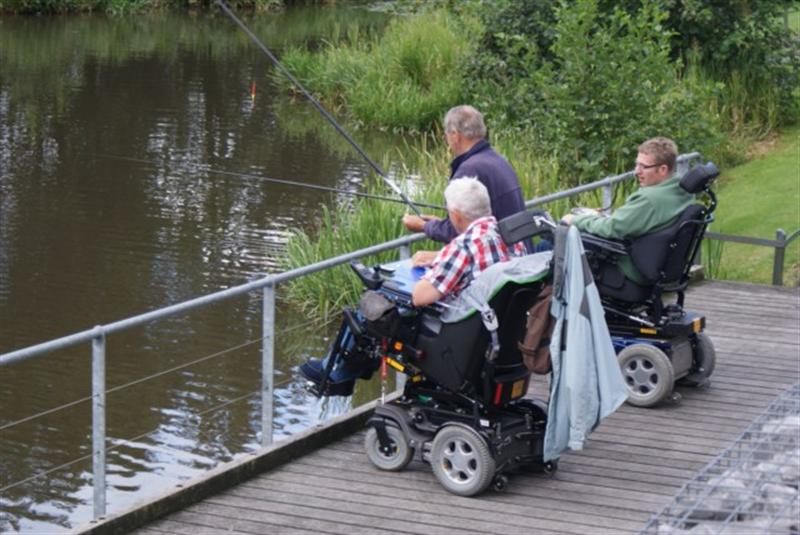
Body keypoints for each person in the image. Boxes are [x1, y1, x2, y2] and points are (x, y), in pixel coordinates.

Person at [402, 105, 527, 264]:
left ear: (455, 135)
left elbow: (460, 232)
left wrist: (423, 226)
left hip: (500, 265)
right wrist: (440, 222)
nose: (446, 139)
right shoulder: (497, 159)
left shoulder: (469, 170)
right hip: (518, 257)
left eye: (447, 134)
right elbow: (478, 222)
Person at [561, 137, 694, 285]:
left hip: (629, 269)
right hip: (657, 265)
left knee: (556, 238)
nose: (637, 171)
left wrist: (575, 220)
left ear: (663, 169)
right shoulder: (682, 191)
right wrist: (598, 217)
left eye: (644, 166)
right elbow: (631, 222)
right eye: (637, 164)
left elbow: (612, 228)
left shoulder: (649, 200)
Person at [412, 177, 521, 306]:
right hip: (507, 311)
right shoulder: (512, 236)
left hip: (472, 314)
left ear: (456, 216)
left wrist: (441, 263)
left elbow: (420, 297)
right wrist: (441, 258)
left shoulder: (462, 246)